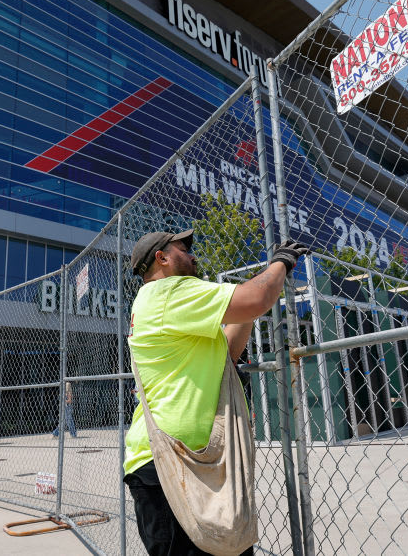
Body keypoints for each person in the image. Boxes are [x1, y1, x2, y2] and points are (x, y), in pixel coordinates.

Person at [123, 229, 308, 556]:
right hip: (168, 466)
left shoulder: (164, 304)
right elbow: (256, 299)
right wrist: (280, 263)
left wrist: (256, 287)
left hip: (179, 462)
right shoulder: (170, 291)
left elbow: (228, 351)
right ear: (161, 258)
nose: (193, 255)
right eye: (183, 248)